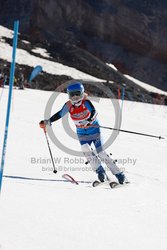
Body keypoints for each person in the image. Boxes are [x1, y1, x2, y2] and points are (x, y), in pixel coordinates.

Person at [39, 82, 126, 184]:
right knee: (86, 150)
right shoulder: (68, 105)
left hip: (94, 131)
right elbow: (59, 114)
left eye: (77, 94)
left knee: (100, 152)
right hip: (82, 134)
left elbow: (94, 112)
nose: (75, 97)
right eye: (72, 95)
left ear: (82, 93)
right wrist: (48, 121)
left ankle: (119, 173)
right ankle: (99, 171)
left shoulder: (86, 102)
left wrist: (89, 120)